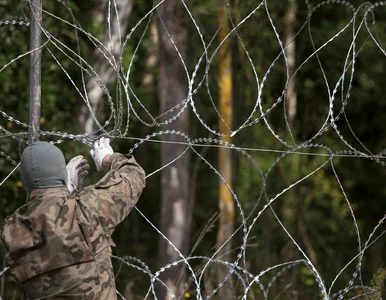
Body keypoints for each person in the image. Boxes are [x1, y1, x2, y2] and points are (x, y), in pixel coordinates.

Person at [1, 137, 146, 299]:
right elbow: (133, 175)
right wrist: (107, 158)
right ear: (61, 173)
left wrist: (64, 192)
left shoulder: (12, 230)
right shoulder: (84, 210)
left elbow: (46, 220)